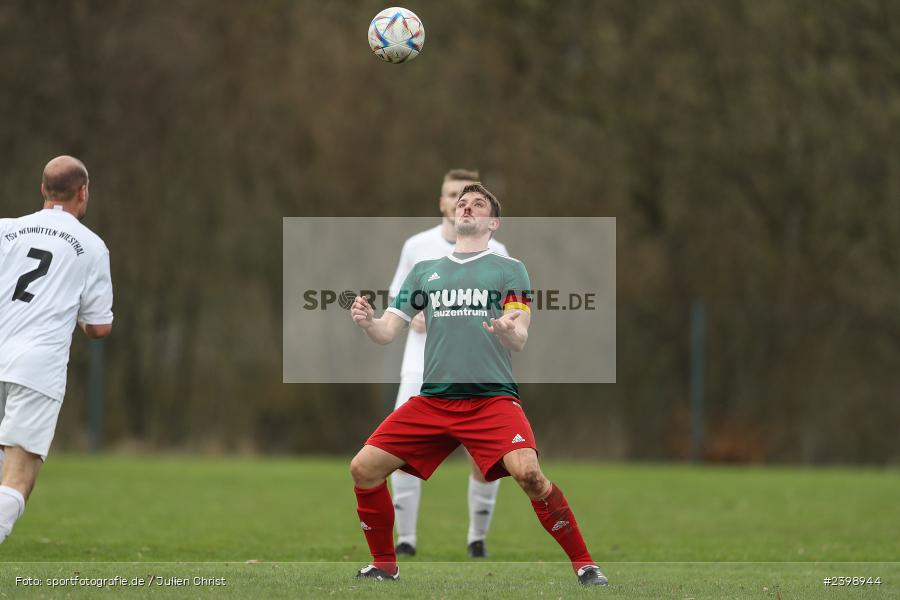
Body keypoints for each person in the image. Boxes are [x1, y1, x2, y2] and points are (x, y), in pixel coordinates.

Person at [349, 184, 607, 585]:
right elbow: (387, 332)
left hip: (491, 400)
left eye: (478, 204)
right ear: (454, 215)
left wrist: (507, 329)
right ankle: (384, 565)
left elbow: (520, 336)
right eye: (462, 202)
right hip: (433, 402)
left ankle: (586, 565)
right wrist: (368, 323)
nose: (467, 207)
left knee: (529, 475)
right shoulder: (424, 271)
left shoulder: (509, 269)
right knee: (363, 468)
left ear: (493, 222)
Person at [387, 169, 508, 558]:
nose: (462, 203)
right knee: (402, 451)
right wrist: (415, 315)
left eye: (470, 196)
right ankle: (405, 540)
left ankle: (477, 538)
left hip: (478, 370)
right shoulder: (416, 247)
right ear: (443, 203)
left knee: (485, 455)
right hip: (421, 366)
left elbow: (508, 309)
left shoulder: (498, 253)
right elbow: (397, 299)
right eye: (454, 195)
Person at [0, 156, 113, 544]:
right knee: (18, 477)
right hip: (36, 368)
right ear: (83, 192)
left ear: (43, 189)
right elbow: (98, 327)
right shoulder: (91, 246)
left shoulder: (5, 231)